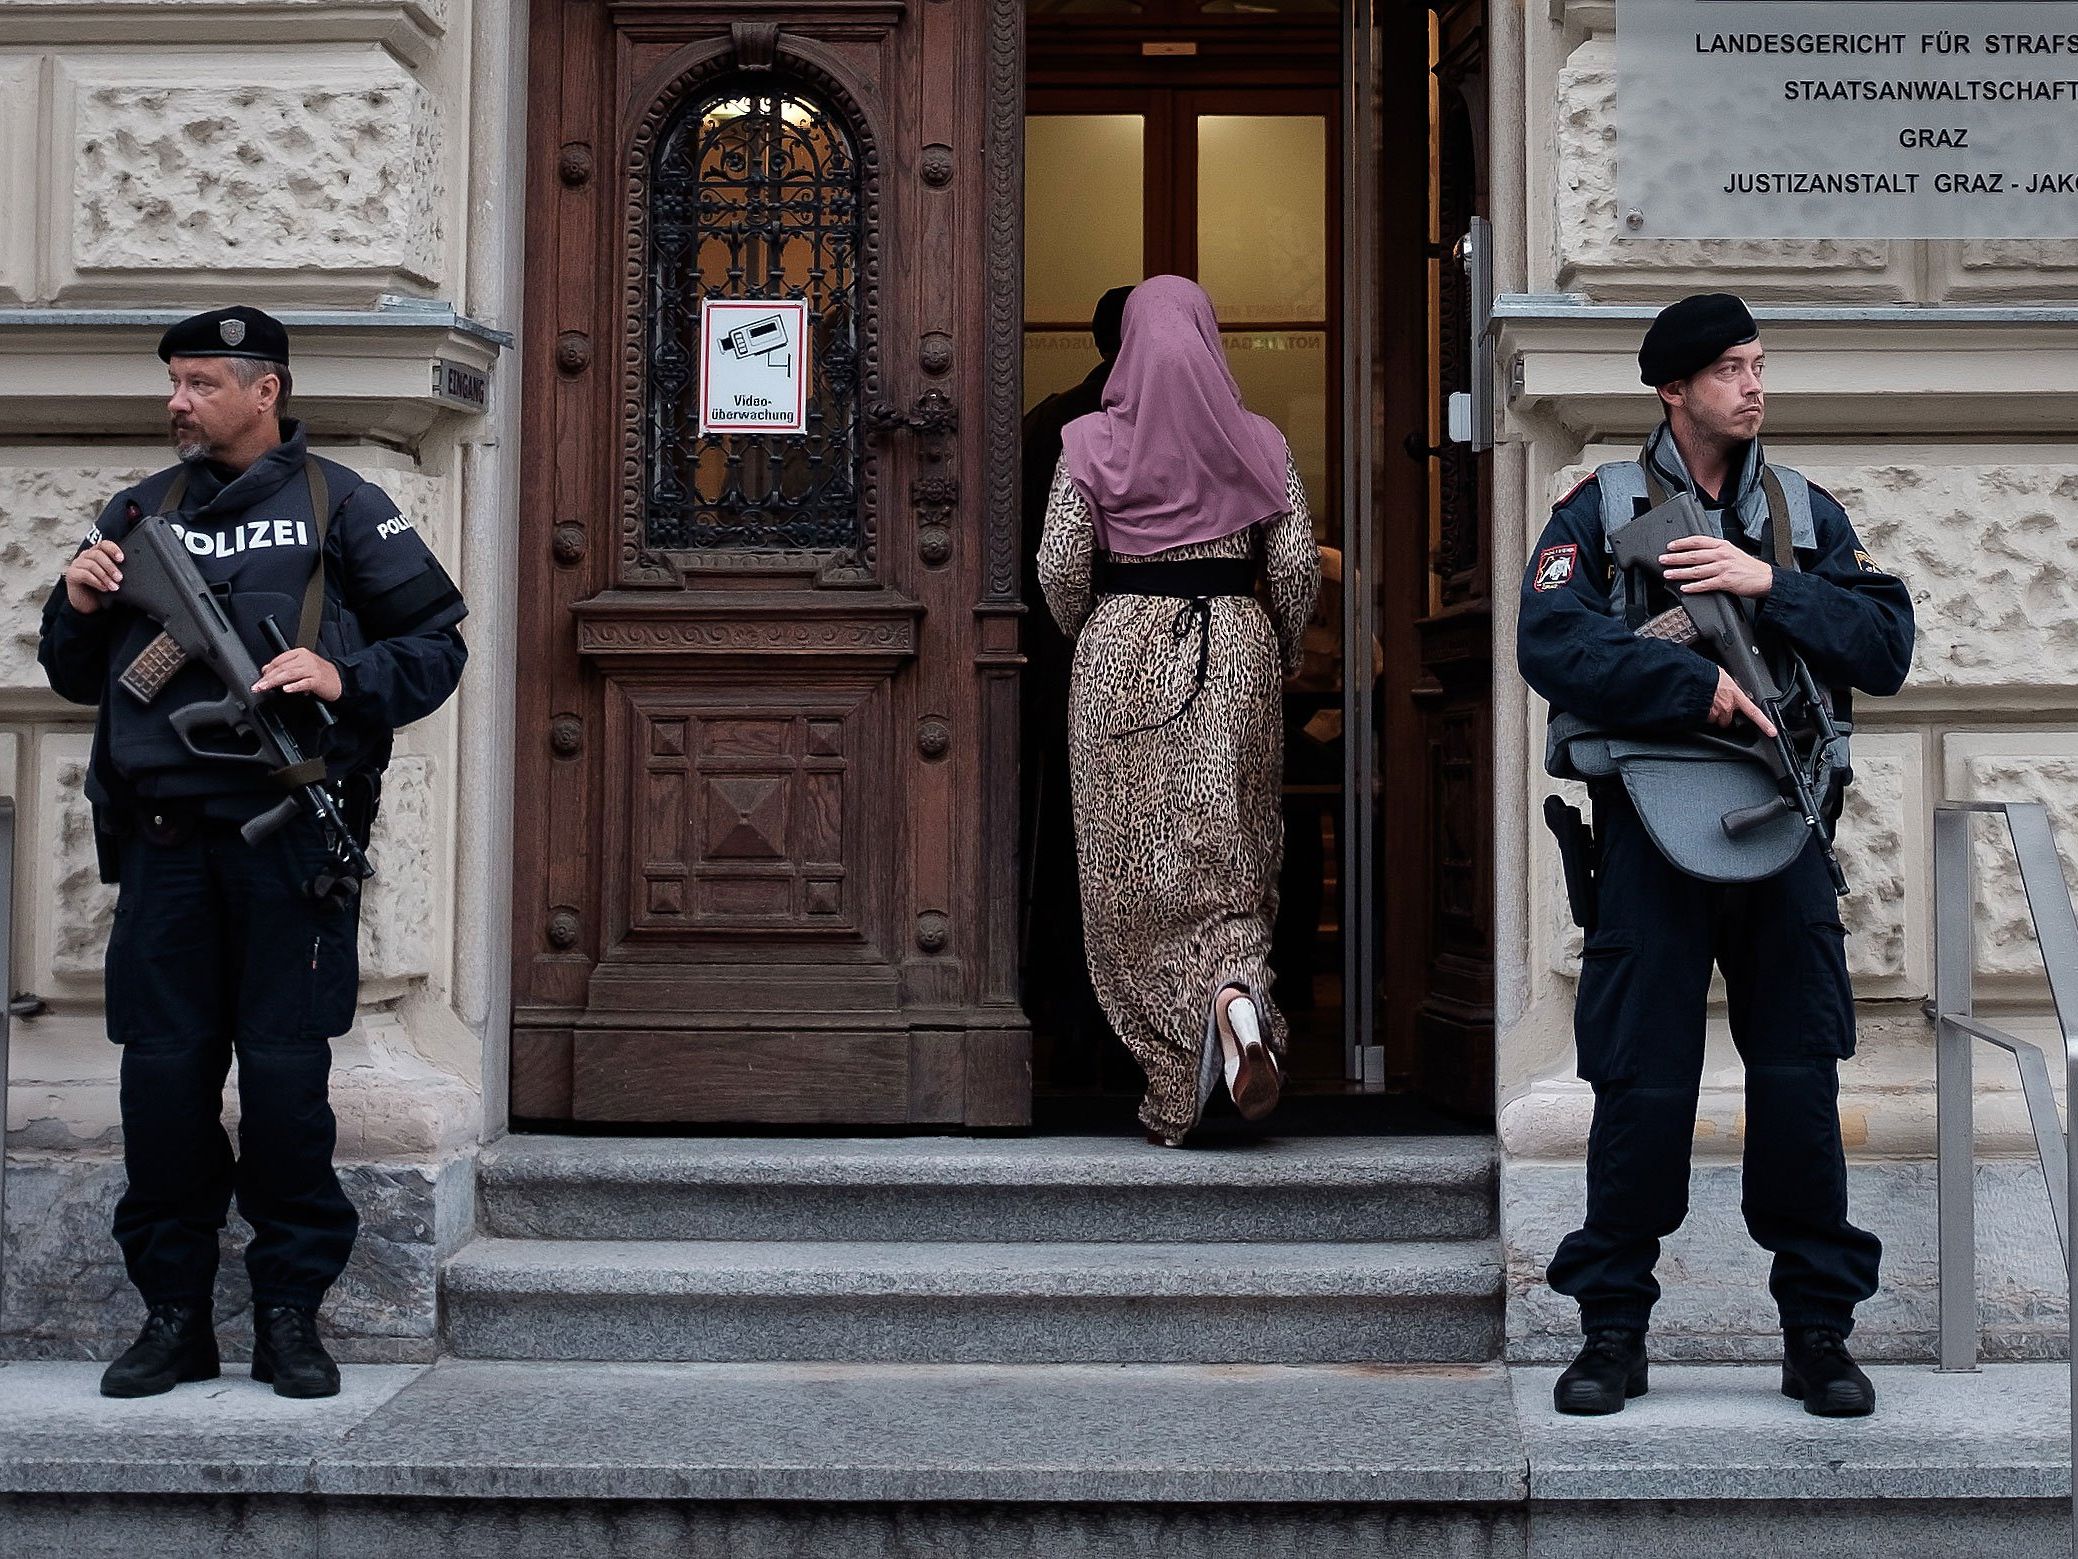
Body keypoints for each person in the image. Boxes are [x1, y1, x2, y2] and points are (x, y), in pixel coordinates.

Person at [38, 306, 469, 1400]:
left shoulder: (341, 504)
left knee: (285, 1091)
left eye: (198, 382)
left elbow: (435, 644)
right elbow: (79, 676)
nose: (176, 400)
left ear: (262, 388)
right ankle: (173, 1315)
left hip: (288, 848)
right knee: (164, 1088)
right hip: (167, 850)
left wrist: (340, 679)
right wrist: (80, 602)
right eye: (174, 381)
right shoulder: (141, 510)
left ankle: (289, 1314)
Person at [1517, 293, 1913, 1418]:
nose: (1752, 383)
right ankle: (1610, 1331)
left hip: (1782, 828)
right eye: (1729, 368)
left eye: (1756, 363)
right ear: (1672, 388)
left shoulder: (1799, 511)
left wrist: (1763, 584)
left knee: (1795, 1079)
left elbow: (1883, 645)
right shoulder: (1598, 510)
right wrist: (1696, 684)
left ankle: (1816, 1332)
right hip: (1648, 824)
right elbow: (1547, 640)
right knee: (1638, 1083)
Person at [1037, 275, 1321, 1146]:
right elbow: (1301, 564)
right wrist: (1285, 649)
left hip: (1121, 657)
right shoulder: (1262, 441)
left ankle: (1171, 1081)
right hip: (1232, 649)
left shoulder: (1085, 437)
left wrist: (1100, 634)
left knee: (1132, 874)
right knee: (1231, 849)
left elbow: (1057, 564)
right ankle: (1235, 1000)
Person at [1019, 286, 1134, 1079]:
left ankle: (1065, 1007)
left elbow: (1048, 565)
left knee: (1066, 839)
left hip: (1061, 657)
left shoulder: (1050, 422)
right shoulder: (1199, 423)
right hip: (1165, 662)